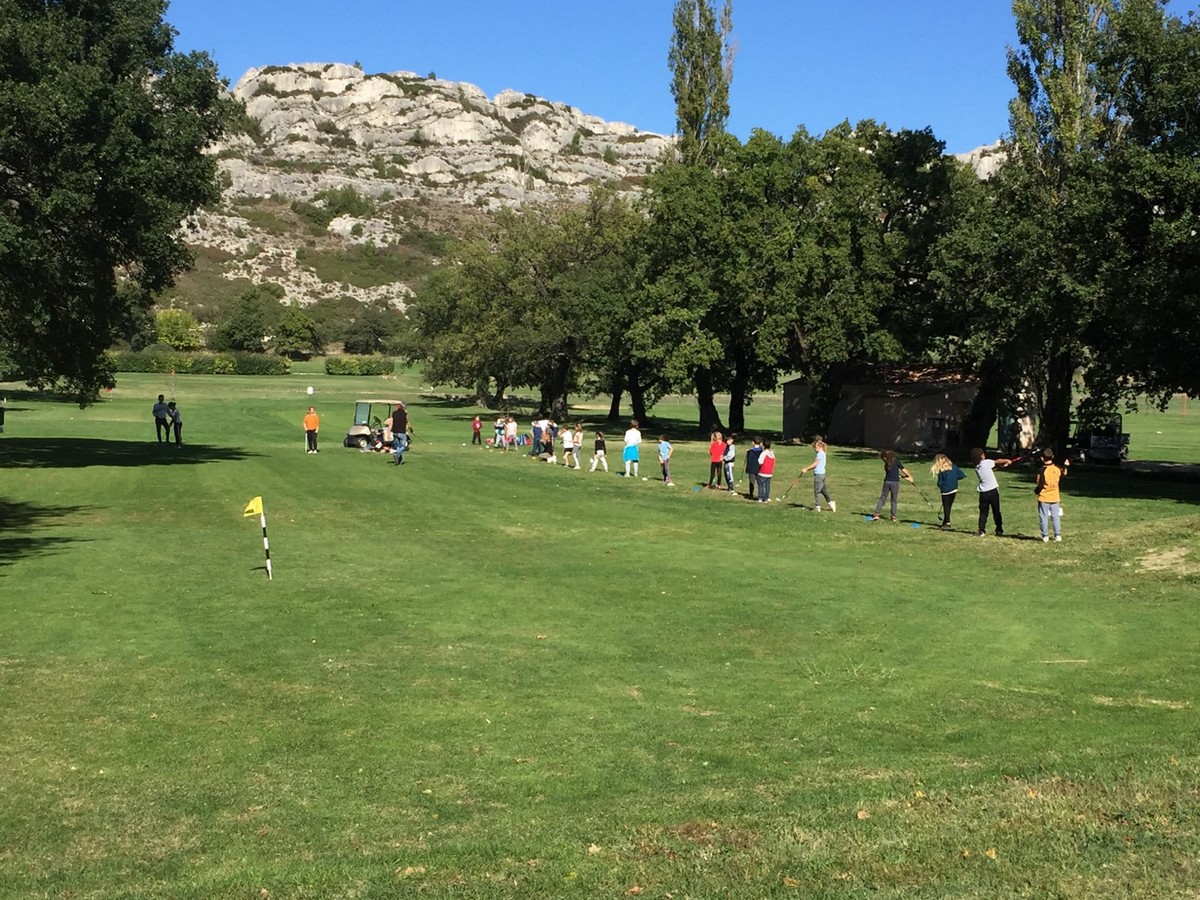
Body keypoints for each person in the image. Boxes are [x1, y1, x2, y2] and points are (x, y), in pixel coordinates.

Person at [970, 447, 1016, 536]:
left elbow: (991, 469)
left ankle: (981, 530)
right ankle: (999, 529)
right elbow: (997, 461)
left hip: (983, 492)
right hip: (992, 491)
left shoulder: (977, 467)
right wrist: (1007, 460)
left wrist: (1001, 466)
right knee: (996, 511)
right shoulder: (985, 463)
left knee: (983, 512)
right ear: (981, 456)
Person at [1035, 448, 1069, 542]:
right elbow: (1064, 474)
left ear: (1042, 458)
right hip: (1055, 496)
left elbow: (1039, 483)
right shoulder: (1057, 468)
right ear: (1052, 457)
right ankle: (1058, 535)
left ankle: (1045, 536)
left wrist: (1036, 491)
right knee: (1055, 516)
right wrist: (1065, 466)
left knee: (1043, 516)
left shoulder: (1041, 470)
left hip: (1044, 497)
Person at [870, 450, 912, 522]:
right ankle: (893, 516)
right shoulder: (896, 461)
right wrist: (909, 476)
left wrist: (901, 476)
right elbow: (904, 469)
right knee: (894, 500)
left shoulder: (886, 463)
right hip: (895, 483)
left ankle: (876, 514)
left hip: (887, 482)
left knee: (882, 498)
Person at [930, 453, 966, 530]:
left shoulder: (942, 470)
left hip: (945, 490)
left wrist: (940, 486)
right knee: (949, 505)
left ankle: (947, 522)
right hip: (954, 489)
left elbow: (939, 482)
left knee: (946, 506)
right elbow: (962, 475)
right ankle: (945, 520)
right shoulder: (954, 467)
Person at [801, 436, 837, 512]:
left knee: (817, 491)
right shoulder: (822, 453)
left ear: (817, 447)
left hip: (819, 475)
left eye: (814, 448)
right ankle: (830, 503)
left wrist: (806, 469)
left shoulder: (820, 454)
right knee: (823, 490)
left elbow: (815, 464)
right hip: (822, 474)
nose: (814, 450)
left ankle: (817, 507)